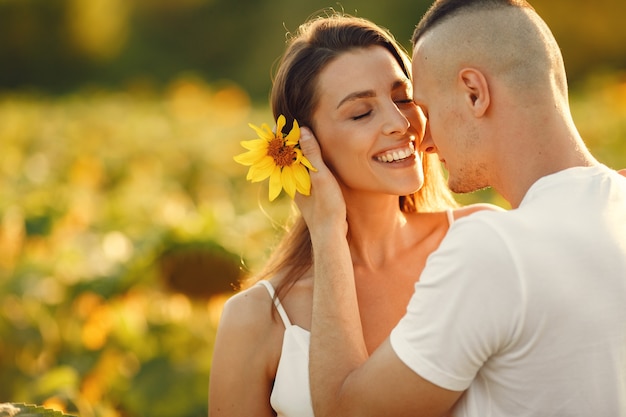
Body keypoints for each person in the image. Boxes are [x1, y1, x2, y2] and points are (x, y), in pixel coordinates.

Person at [296, 1, 626, 416]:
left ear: (474, 93)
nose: (425, 141)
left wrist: (327, 231)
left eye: (427, 109)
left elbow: (346, 410)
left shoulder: (489, 249)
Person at [208, 11, 501, 417]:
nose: (400, 124)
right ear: (302, 145)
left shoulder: (483, 241)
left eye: (403, 98)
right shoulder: (256, 318)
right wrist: (327, 230)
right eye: (362, 113)